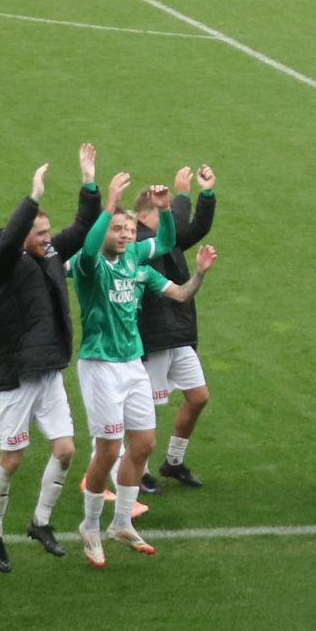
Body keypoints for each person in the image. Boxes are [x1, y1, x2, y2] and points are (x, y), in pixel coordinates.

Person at [0, 154, 104, 573]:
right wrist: (32, 197)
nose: (49, 239)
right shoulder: (0, 264)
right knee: (12, 459)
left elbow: (80, 231)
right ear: (23, 232)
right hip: (15, 374)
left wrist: (90, 183)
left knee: (65, 449)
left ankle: (40, 522)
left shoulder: (47, 254)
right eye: (40, 232)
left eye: (48, 232)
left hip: (48, 370)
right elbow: (7, 244)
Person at [68, 174, 204, 567]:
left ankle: (121, 522)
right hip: (100, 366)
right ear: (105, 231)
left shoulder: (133, 259)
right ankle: (91, 525)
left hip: (133, 363)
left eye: (130, 229)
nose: (127, 235)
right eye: (119, 229)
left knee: (143, 445)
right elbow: (90, 247)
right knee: (109, 450)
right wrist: (109, 203)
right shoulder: (89, 264)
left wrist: (163, 210)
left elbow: (162, 243)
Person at [139, 167, 217, 488]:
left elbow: (193, 227)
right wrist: (182, 195)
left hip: (178, 333)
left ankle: (173, 461)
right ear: (145, 215)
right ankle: (138, 470)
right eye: (163, 211)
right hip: (154, 336)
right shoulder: (141, 242)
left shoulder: (164, 237)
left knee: (198, 397)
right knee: (146, 410)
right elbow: (176, 228)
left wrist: (205, 194)